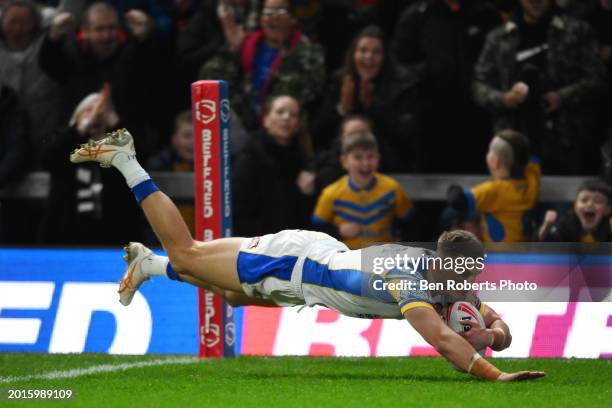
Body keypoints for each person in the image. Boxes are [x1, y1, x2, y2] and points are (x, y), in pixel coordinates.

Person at [68, 127, 545, 381]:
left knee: (234, 299)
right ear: (443, 265)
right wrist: (494, 374)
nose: (469, 285)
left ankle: (148, 265)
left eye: (471, 277)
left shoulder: (448, 278)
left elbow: (493, 322)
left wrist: (495, 334)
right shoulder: (409, 281)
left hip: (313, 270)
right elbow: (443, 341)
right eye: (465, 276)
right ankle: (126, 159)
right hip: (292, 263)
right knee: (188, 251)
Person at [473, 0, 608, 175]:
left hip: (566, 137)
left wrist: (561, 97)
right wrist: (504, 99)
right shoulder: (499, 36)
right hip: (512, 141)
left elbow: (598, 78)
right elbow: (478, 84)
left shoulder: (577, 31)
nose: (536, 2)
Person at [38, 2, 160, 161]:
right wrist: (53, 37)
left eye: (112, 28)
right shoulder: (74, 62)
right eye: (99, 29)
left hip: (122, 155)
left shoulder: (130, 58)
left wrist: (145, 38)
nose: (106, 36)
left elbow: (153, 65)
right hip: (76, 152)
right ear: (86, 31)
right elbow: (49, 62)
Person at [392, 0, 501, 173]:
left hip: (479, 120)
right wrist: (428, 72)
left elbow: (499, 66)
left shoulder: (487, 16)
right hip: (429, 122)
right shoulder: (416, 17)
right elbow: (400, 66)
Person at [38, 85, 144, 245]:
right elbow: (49, 159)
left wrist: (113, 120)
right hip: (66, 231)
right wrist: (83, 125)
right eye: (89, 110)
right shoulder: (65, 140)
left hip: (114, 233)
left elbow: (137, 155)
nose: (96, 115)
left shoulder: (118, 144)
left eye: (102, 111)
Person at [198, 0, 325, 130]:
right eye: (268, 12)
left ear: (293, 19)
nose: (274, 16)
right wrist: (232, 50)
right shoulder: (246, 45)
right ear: (261, 19)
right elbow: (209, 82)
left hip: (284, 128)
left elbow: (304, 95)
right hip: (243, 125)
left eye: (280, 11)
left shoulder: (309, 53)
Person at [313, 24, 422, 171]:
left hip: (387, 165)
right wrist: (342, 109)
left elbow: (406, 138)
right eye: (363, 50)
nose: (369, 57)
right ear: (353, 54)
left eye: (376, 52)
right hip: (341, 167)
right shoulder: (340, 81)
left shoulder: (403, 85)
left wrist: (373, 107)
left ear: (385, 57)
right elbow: (319, 134)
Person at [311, 131, 414, 249]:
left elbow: (410, 223)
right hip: (345, 259)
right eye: (358, 157)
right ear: (344, 161)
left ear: (378, 159)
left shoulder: (392, 189)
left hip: (382, 258)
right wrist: (338, 231)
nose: (365, 163)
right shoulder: (331, 194)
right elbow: (316, 230)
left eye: (370, 156)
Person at [232, 95, 315, 236]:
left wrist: (307, 195)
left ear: (298, 124)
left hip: (294, 243)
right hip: (259, 245)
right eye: (280, 112)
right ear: (266, 120)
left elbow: (307, 219)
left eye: (293, 114)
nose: (286, 117)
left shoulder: (304, 158)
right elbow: (239, 214)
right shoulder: (249, 159)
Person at [446, 129, 540, 243]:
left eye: (490, 151)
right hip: (525, 253)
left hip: (499, 255)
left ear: (495, 161)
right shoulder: (531, 184)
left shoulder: (493, 190)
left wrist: (453, 188)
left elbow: (457, 200)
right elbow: (533, 161)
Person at [0, 0, 61, 164]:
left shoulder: (48, 50)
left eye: (24, 23)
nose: (18, 29)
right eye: (12, 22)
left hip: (44, 140)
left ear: (35, 25)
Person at [539, 180, 612, 242]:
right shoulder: (566, 223)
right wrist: (546, 227)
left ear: (607, 209)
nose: (590, 204)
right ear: (575, 206)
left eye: (597, 201)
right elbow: (548, 245)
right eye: (584, 200)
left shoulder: (609, 226)